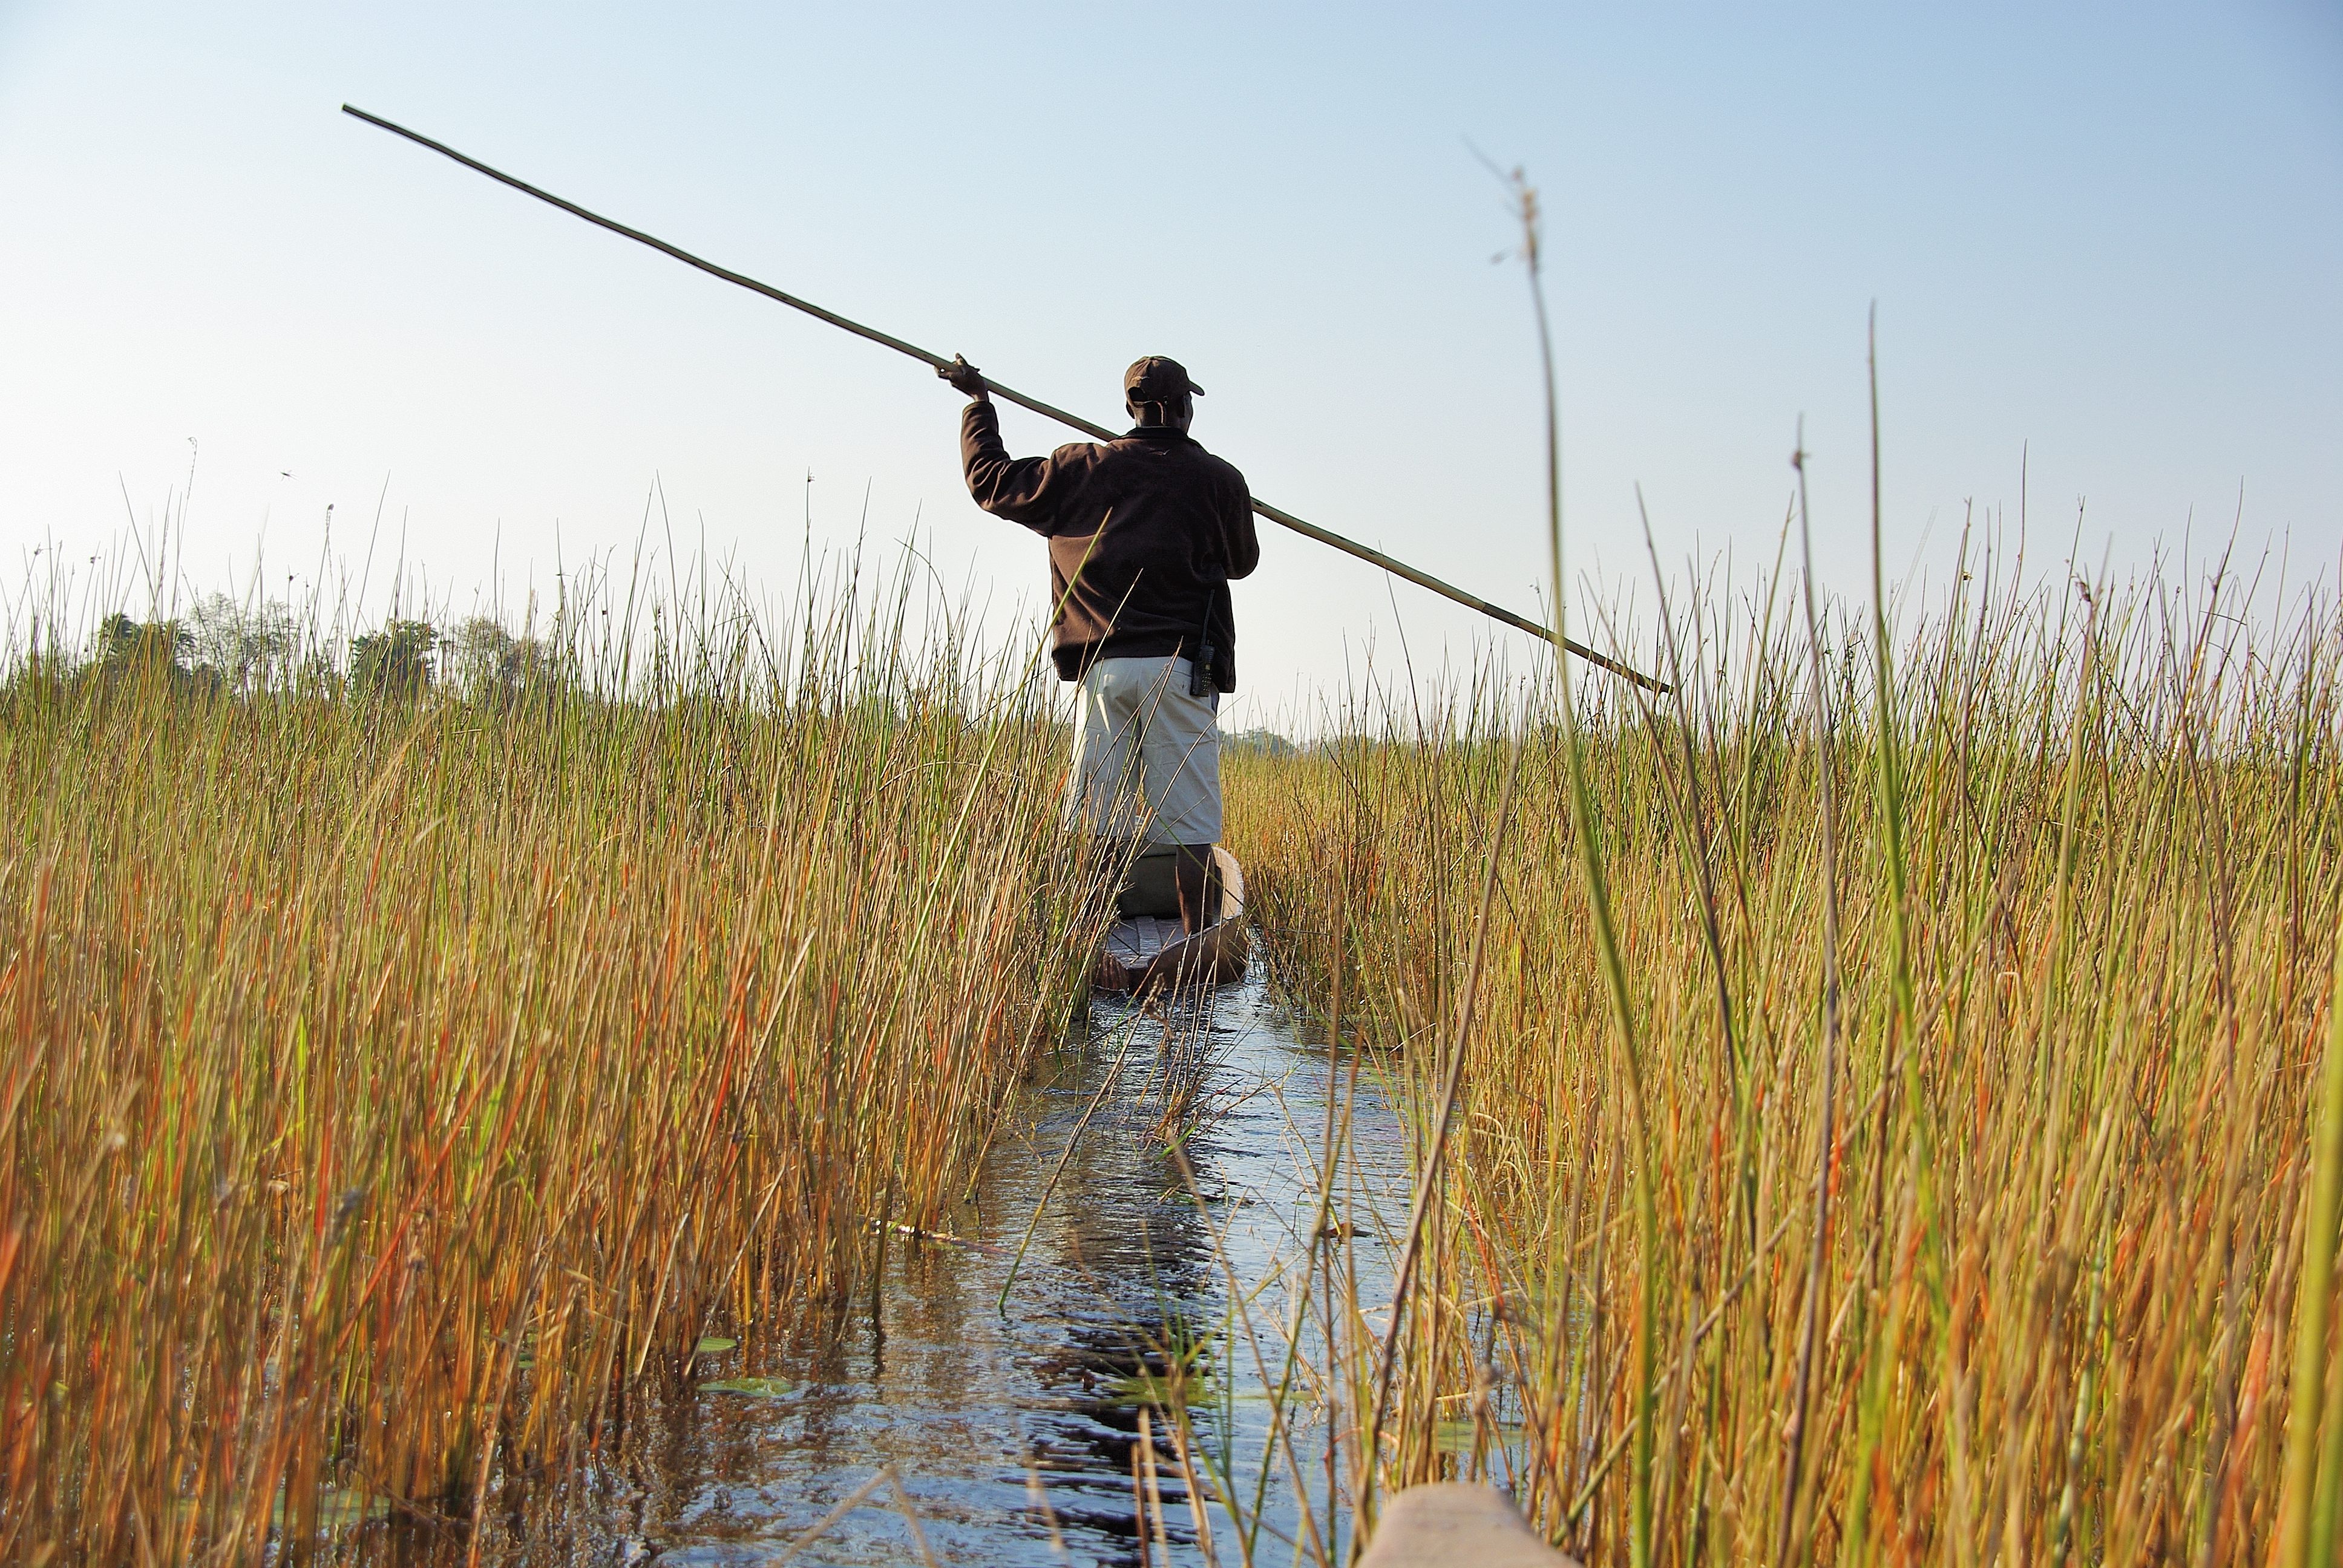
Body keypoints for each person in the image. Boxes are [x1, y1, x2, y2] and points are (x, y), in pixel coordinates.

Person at [939, 352, 1259, 939]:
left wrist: (978, 406)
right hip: (1183, 669)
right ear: (1185, 410)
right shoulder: (1219, 481)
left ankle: (1090, 936)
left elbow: (990, 482)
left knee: (1097, 816)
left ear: (1130, 409)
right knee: (1187, 819)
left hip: (1103, 670)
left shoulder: (1078, 469)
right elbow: (1242, 562)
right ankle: (1193, 946)